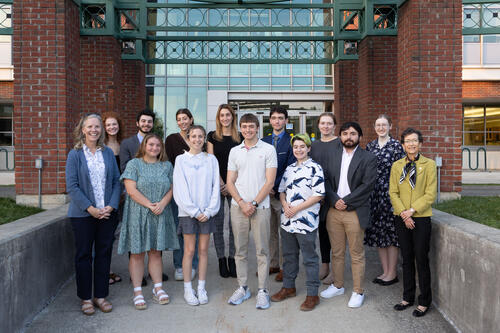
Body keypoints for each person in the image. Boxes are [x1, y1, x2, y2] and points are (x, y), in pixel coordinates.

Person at [65, 113, 121, 315]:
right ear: (83, 129)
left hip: (106, 214)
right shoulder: (75, 155)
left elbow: (116, 181)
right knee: (84, 255)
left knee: (104, 254)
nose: (94, 130)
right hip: (83, 215)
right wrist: (90, 208)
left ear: (102, 130)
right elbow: (72, 186)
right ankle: (86, 298)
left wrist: (111, 206)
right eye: (90, 127)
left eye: (97, 126)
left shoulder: (107, 153)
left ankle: (100, 296)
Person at [118, 134, 179, 310]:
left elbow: (173, 188)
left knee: (155, 252)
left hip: (160, 212)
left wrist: (162, 204)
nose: (154, 148)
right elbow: (130, 190)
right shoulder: (134, 164)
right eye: (151, 144)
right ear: (144, 146)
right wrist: (149, 205)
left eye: (157, 145)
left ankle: (158, 288)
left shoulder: (167, 166)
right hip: (138, 214)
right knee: (137, 253)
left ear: (161, 148)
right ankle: (137, 291)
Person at [320, 121, 376, 308]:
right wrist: (335, 199)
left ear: (359, 137)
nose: (348, 137)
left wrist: (347, 201)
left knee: (356, 253)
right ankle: (338, 285)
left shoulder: (368, 158)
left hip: (354, 211)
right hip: (334, 211)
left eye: (353, 134)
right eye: (345, 133)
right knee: (336, 252)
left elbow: (368, 185)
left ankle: (358, 291)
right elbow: (325, 180)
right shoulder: (332, 155)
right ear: (340, 136)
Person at [226, 113, 277, 310]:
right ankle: (243, 287)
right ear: (240, 128)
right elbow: (230, 181)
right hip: (238, 207)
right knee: (240, 251)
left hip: (260, 207)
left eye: (251, 127)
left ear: (257, 128)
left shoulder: (268, 149)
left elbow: (270, 181)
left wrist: (253, 203)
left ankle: (263, 290)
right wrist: (241, 202)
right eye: (244, 127)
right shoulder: (235, 151)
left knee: (262, 251)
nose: (248, 130)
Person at [270, 134, 325, 311]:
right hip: (287, 220)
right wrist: (285, 205)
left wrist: (297, 208)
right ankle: (289, 287)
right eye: (296, 147)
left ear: (308, 148)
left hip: (306, 221)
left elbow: (318, 195)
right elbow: (282, 191)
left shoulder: (315, 168)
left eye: (302, 146)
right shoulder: (289, 169)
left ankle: (312, 294)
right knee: (289, 257)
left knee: (309, 259)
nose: (299, 149)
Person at [389, 128, 436, 317]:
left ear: (420, 144)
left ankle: (424, 301)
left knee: (421, 258)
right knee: (407, 258)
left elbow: (430, 194)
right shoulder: (396, 166)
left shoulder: (429, 165)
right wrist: (404, 214)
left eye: (415, 141)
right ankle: (407, 297)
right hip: (401, 218)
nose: (411, 144)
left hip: (421, 218)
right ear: (402, 145)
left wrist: (412, 211)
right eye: (407, 141)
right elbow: (393, 192)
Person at [118, 109, 167, 285]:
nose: (146, 124)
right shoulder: (127, 144)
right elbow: (124, 168)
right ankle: (136, 276)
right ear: (137, 123)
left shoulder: (159, 146)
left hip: (157, 202)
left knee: (155, 245)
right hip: (137, 200)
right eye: (143, 121)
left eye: (149, 121)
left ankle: (155, 274)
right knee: (137, 245)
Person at [173, 125, 220, 305]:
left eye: (200, 136)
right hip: (188, 213)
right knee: (189, 251)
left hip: (207, 213)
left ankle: (201, 287)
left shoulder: (211, 160)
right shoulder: (181, 160)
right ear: (188, 138)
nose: (197, 139)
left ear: (204, 139)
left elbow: (216, 187)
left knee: (203, 251)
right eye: (193, 136)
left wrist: (208, 211)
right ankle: (187, 289)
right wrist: (194, 211)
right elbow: (180, 188)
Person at [364, 115, 405, 286]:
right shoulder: (370, 146)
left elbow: (402, 174)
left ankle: (392, 272)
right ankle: (385, 271)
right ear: (374, 127)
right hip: (374, 196)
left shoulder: (396, 146)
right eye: (378, 125)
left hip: (390, 196)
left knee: (391, 234)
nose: (381, 127)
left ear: (390, 126)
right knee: (378, 234)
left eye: (384, 125)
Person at [207, 104, 241, 278]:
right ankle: (221, 259)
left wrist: (230, 184)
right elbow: (211, 161)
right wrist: (221, 183)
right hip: (217, 186)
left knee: (234, 224)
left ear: (232, 117)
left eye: (228, 115)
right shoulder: (212, 137)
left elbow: (242, 164)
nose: (225, 118)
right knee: (218, 225)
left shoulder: (240, 137)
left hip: (235, 186)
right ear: (218, 118)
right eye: (222, 115)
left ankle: (233, 259)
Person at [165, 108, 199, 281]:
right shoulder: (171, 139)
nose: (182, 122)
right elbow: (169, 165)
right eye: (179, 119)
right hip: (178, 191)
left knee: (196, 230)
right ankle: (179, 265)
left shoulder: (198, 138)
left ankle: (194, 264)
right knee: (180, 229)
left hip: (197, 192)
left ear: (191, 119)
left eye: (185, 118)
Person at [261, 105, 295, 282]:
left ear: (286, 121)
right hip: (265, 195)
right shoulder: (263, 141)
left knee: (284, 233)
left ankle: (284, 267)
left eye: (281, 118)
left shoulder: (291, 141)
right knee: (270, 232)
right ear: (270, 120)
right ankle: (273, 263)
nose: (277, 121)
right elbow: (259, 167)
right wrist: (267, 187)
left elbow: (290, 168)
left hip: (281, 195)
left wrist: (274, 186)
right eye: (274, 118)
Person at [310, 112, 338, 284]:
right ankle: (325, 265)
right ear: (318, 125)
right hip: (318, 196)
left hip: (335, 193)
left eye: (329, 123)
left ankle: (336, 269)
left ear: (334, 125)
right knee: (322, 232)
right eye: (323, 123)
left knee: (335, 233)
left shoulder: (339, 144)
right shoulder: (314, 146)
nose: (326, 126)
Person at [102, 111, 124, 285]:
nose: (111, 127)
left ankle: (107, 270)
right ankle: (103, 271)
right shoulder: (101, 146)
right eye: (108, 125)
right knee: (104, 236)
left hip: (122, 194)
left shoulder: (122, 145)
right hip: (104, 197)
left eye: (114, 124)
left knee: (111, 236)